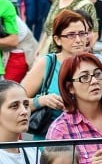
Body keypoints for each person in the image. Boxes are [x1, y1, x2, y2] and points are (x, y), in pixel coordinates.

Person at [21, 10, 91, 139]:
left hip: (86, 141)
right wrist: (41, 101)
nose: (78, 40)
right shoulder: (47, 63)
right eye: (71, 35)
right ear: (57, 39)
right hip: (50, 144)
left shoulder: (93, 64)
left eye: (82, 34)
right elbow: (16, 101)